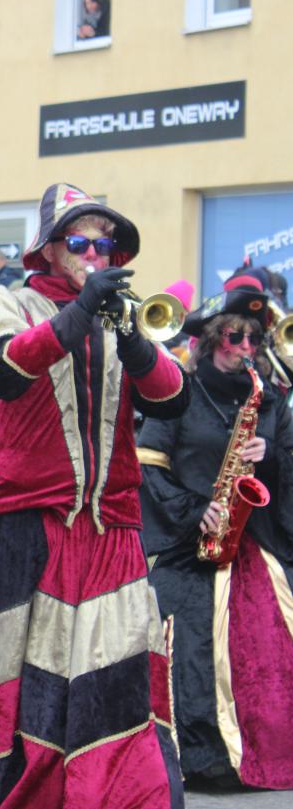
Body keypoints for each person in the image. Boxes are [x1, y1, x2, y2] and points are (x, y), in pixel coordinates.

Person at [0, 183, 189, 809]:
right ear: (50, 249)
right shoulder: (10, 301)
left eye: (104, 243)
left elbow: (172, 397)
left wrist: (131, 340)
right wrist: (76, 318)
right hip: (28, 528)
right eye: (79, 241)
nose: (94, 251)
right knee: (19, 688)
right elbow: (3, 373)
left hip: (111, 528)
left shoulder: (123, 315)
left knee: (119, 680)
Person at [138, 274, 293, 790]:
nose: (245, 348)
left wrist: (269, 459)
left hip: (256, 539)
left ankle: (268, 751)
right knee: (193, 624)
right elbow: (147, 463)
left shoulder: (269, 399)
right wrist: (194, 509)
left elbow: (289, 471)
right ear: (211, 339)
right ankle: (205, 757)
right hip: (192, 542)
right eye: (234, 336)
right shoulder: (179, 392)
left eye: (253, 338)